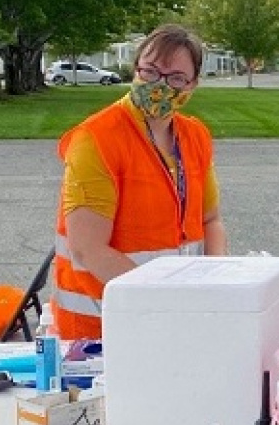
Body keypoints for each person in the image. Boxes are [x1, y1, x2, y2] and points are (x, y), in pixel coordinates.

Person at [52, 24, 228, 339]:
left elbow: (210, 219)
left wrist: (214, 285)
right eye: (150, 72)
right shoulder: (97, 140)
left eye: (175, 78)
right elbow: (87, 248)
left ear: (192, 85)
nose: (159, 85)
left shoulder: (195, 137)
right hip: (101, 328)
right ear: (135, 71)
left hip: (174, 321)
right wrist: (165, 305)